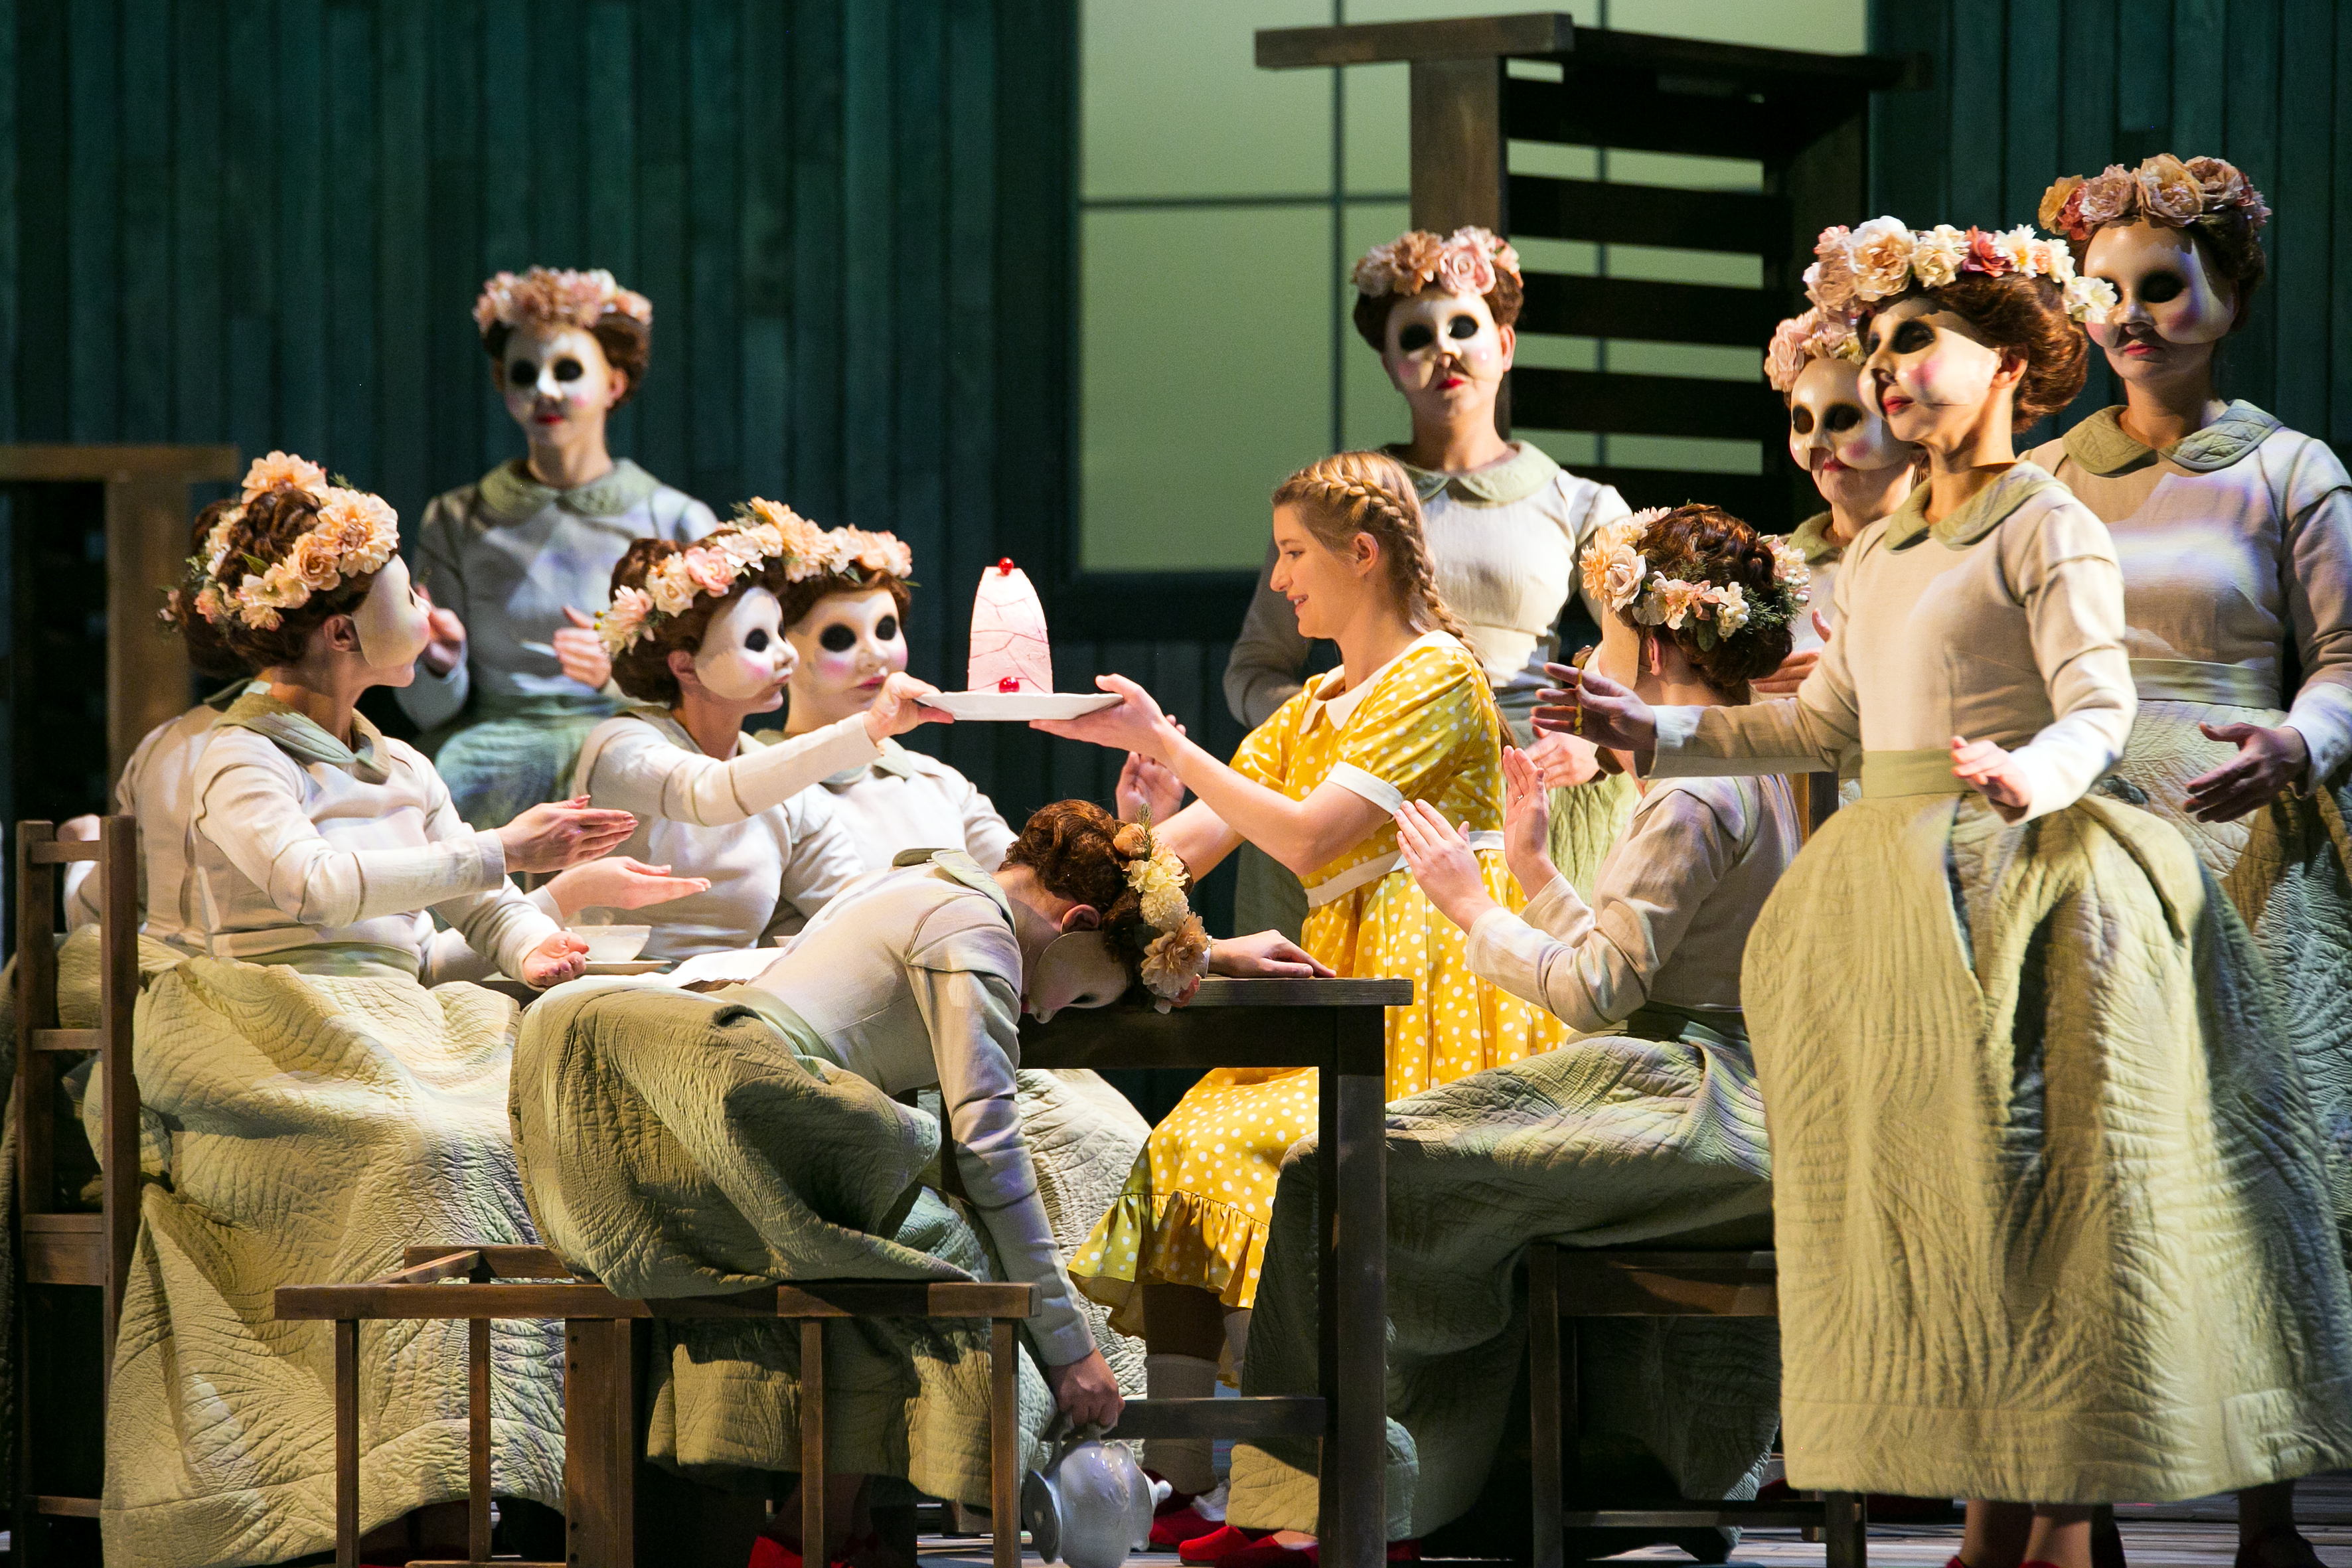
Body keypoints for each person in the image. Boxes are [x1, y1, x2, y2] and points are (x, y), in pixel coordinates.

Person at [1557, 218, 2352, 1568]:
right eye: (1874, 347)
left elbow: (2097, 701)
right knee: (1944, 1204)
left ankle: (2049, 1516)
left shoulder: (2046, 518)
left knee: (2036, 1195)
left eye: (1915, 339)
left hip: (2035, 886)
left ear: (2010, 364)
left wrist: (2030, 773)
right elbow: (1822, 727)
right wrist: (1660, 735)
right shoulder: (1873, 553)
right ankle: (2001, 1517)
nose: (1886, 370)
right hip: (1896, 882)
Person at [1217, 505, 1807, 1565]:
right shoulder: (1733, 765)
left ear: (1657, 642)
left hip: (1693, 1102)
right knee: (1437, 1187)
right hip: (1713, 1088)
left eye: (1606, 635)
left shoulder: (1688, 789)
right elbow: (1631, 973)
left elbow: (1593, 995)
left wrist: (1468, 905)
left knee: (1335, 1172)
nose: (1589, 656)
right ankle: (1465, 1485)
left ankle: (1319, 1503)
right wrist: (1533, 871)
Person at [508, 801, 1320, 1568]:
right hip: (747, 1098)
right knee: (949, 1262)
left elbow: (1036, 1019)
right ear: (1074, 922)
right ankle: (807, 1534)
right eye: (1091, 994)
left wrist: (1204, 954)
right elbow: (989, 1147)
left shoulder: (939, 879)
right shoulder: (979, 936)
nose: (1058, 1014)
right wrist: (1072, 1353)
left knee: (913, 1246)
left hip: (716, 1088)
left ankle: (833, 1528)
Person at [105, 455, 639, 1568]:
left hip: (395, 1015)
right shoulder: (231, 755)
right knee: (427, 1146)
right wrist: (502, 844)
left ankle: (486, 1473)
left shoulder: (395, 758)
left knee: (544, 1123)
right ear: (343, 629)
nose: (430, 613)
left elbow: (478, 903)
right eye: (408, 592)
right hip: (264, 1024)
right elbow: (311, 887)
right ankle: (412, 1484)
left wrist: (545, 942)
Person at [1038, 450, 1557, 1515]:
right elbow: (1178, 854)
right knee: (1185, 1144)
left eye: (1291, 554)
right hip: (1348, 977)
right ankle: (1179, 1482)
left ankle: (1297, 1478)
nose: (1278, 581)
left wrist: (1173, 740)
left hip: (1436, 996)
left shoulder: (1435, 678)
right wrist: (1134, 814)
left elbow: (1313, 831)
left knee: (1247, 1151)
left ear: (1359, 555)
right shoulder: (1315, 702)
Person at [2031, 155, 2352, 1568]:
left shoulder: (2288, 470)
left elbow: (2344, 658)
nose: (2132, 316)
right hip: (2086, 831)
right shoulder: (2040, 473)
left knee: (2253, 1163)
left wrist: (2297, 746)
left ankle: (2268, 1506)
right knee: (2087, 1156)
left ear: (2226, 300)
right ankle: (2077, 1496)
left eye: (2163, 287)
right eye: (2107, 290)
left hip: (2239, 833)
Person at [1223, 227, 1636, 931]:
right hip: (1371, 775)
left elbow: (1641, 654)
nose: (1444, 350)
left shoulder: (1581, 503)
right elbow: (1257, 669)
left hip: (1527, 781)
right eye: (1416, 336)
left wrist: (1597, 743)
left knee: (1540, 997)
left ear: (1504, 345)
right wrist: (1326, 732)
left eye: (1465, 327)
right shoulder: (1336, 508)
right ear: (1388, 363)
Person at [400, 266, 718, 828]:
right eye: (525, 372)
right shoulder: (455, 519)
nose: (544, 389)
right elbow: (428, 708)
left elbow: (717, 679)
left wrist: (618, 674)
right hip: (489, 750)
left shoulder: (673, 518)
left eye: (567, 370)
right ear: (503, 383)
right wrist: (440, 663)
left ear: (614, 385)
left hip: (627, 739)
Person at [573, 504, 951, 962]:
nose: (786, 657)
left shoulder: (785, 788)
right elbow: (709, 794)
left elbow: (856, 903)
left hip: (731, 998)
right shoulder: (623, 747)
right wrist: (870, 728)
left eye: (780, 635)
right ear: (684, 665)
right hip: (609, 992)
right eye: (758, 641)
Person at [1753, 305, 1921, 693]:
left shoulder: (1951, 558)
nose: (1818, 443)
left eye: (1844, 420)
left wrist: (1859, 680)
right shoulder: (1759, 565)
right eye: (1804, 422)